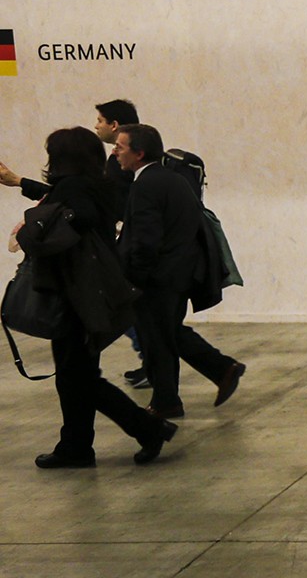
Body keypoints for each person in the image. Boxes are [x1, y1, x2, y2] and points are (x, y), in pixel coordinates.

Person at [0, 99, 246, 403]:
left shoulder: (131, 179)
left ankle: (185, 390)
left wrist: (133, 278)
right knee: (160, 332)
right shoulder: (165, 178)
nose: (100, 130)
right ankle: (175, 393)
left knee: (156, 332)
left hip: (154, 275)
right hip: (175, 272)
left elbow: (134, 232)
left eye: (102, 121)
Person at [14, 128, 176, 467]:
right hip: (89, 291)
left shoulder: (73, 188)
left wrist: (34, 231)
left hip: (75, 293)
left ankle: (146, 429)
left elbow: (76, 219)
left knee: (78, 377)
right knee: (76, 376)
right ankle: (75, 446)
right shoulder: (96, 185)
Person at [114, 123, 204, 420]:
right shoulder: (171, 180)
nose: (115, 152)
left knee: (157, 344)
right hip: (175, 277)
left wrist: (135, 279)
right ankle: (167, 400)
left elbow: (145, 240)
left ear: (138, 153)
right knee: (164, 341)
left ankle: (165, 401)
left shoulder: (145, 185)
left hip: (155, 281)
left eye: (121, 147)